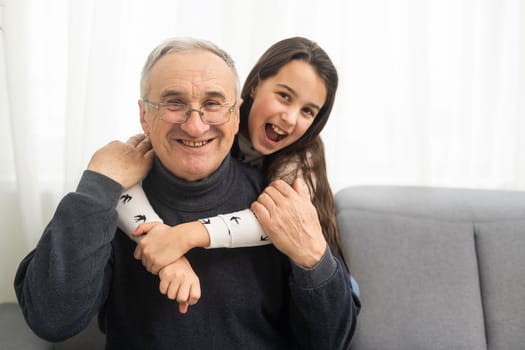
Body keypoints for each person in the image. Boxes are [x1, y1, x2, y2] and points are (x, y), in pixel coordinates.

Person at [14, 37, 358, 349]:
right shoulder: (109, 197)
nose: (195, 125)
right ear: (144, 116)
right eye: (174, 103)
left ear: (236, 114)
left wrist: (314, 260)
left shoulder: (281, 199)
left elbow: (330, 342)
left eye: (212, 104)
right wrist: (97, 184)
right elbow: (51, 319)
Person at [117, 37, 360, 308]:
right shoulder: (211, 120)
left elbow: (281, 221)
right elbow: (121, 181)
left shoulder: (302, 157)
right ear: (255, 85)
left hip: (329, 279)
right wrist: (162, 247)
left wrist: (184, 236)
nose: (289, 118)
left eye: (307, 111)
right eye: (284, 96)